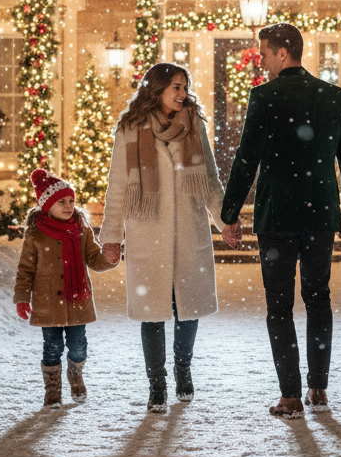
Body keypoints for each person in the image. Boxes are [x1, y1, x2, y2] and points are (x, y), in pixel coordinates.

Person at [220, 23, 341, 418]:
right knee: (319, 298)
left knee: (279, 306)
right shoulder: (334, 97)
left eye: (264, 52)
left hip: (277, 216)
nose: (261, 59)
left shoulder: (264, 97)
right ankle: (318, 388)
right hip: (320, 214)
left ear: (283, 53)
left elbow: (246, 159)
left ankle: (290, 396)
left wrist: (229, 213)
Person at [100, 62, 233, 413]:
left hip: (188, 230)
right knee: (152, 312)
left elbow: (210, 181)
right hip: (148, 231)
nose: (182, 93)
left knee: (188, 309)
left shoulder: (193, 126)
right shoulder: (130, 129)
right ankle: (156, 382)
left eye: (184, 87)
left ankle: (183, 369)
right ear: (156, 89)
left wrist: (224, 222)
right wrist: (111, 236)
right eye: (175, 87)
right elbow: (117, 186)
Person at [13, 167, 118, 409]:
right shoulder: (35, 234)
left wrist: (109, 259)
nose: (69, 205)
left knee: (78, 345)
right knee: (52, 347)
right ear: (47, 205)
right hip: (46, 301)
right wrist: (21, 298)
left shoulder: (81, 230)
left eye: (71, 200)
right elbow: (25, 269)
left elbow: (93, 259)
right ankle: (52, 391)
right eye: (61, 201)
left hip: (76, 300)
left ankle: (75, 374)